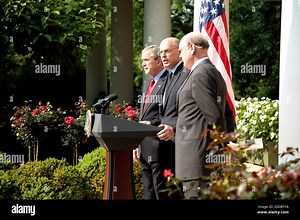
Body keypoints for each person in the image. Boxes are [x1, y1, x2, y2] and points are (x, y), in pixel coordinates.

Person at [175, 32, 227, 199]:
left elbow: (215, 115)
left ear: (192, 48)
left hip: (198, 158)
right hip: (201, 157)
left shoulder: (200, 74)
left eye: (181, 51)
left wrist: (218, 149)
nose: (180, 55)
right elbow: (227, 114)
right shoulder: (212, 71)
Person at [133, 45, 169, 199]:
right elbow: (143, 117)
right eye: (142, 60)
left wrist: (152, 125)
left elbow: (169, 114)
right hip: (144, 147)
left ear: (159, 61)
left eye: (147, 60)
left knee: (161, 193)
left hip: (160, 147)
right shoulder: (147, 84)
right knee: (148, 193)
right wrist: (137, 143)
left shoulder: (169, 81)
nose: (143, 64)